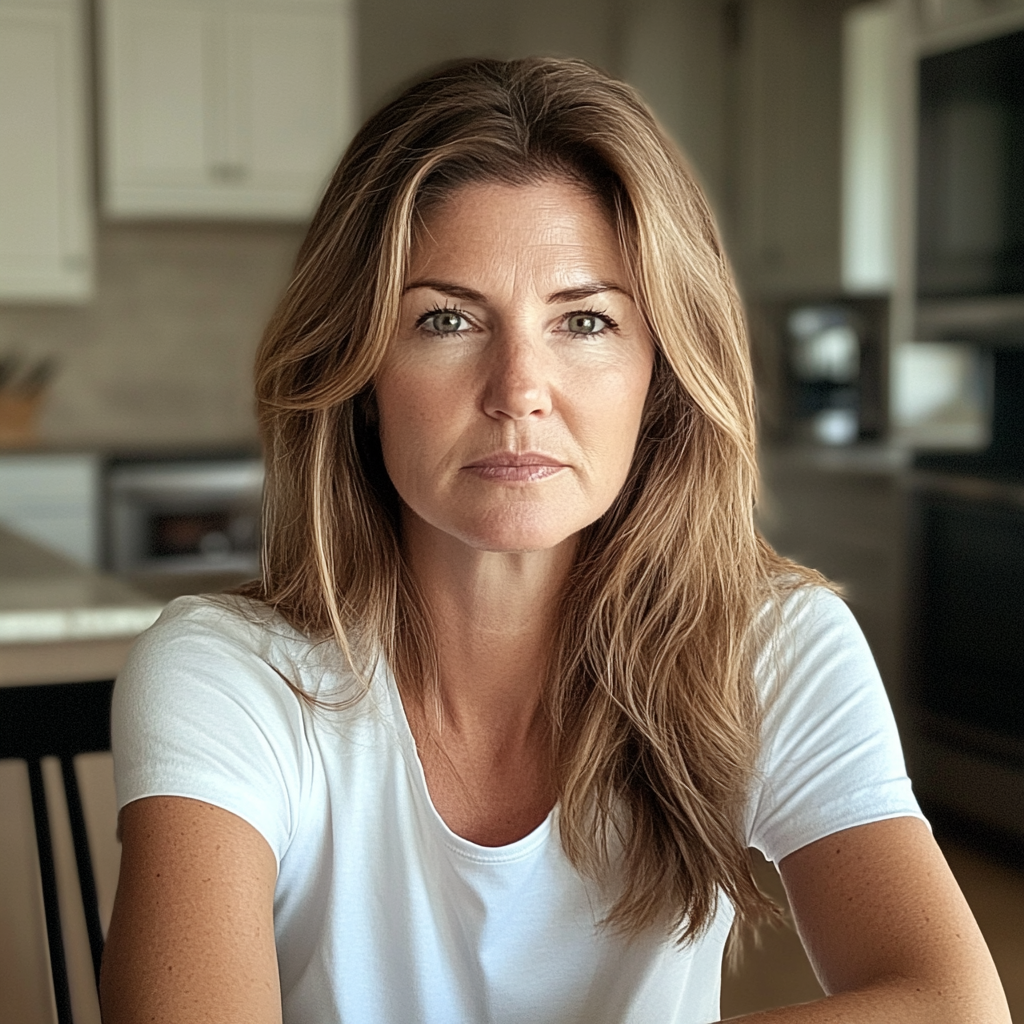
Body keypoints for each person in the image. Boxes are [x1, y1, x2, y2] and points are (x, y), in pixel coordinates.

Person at [100, 58, 1009, 1024]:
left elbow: (951, 1004)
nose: (519, 388)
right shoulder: (226, 676)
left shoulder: (772, 646)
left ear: (660, 368)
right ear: (360, 370)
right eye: (445, 319)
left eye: (584, 320)